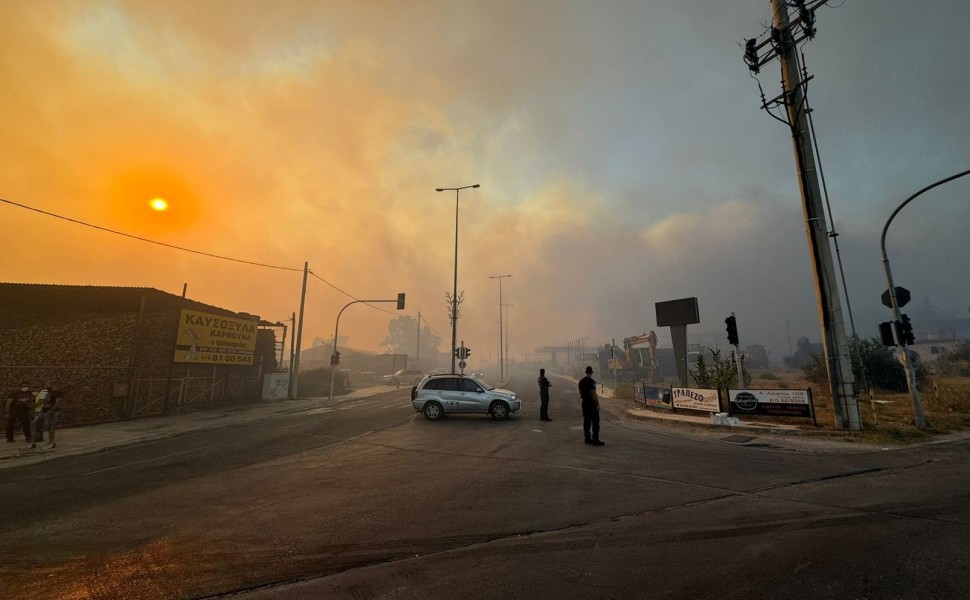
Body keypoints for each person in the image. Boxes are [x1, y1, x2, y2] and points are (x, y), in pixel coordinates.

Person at [578, 366, 604, 446]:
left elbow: (580, 392)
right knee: (595, 422)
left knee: (586, 421)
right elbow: (593, 393)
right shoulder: (592, 382)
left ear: (585, 372)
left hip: (584, 403)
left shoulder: (581, 381)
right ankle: (595, 440)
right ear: (592, 372)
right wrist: (597, 404)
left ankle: (587, 438)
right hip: (591, 404)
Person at [31, 382, 62, 449]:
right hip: (43, 411)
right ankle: (33, 443)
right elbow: (43, 402)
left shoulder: (57, 393)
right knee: (33, 424)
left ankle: (51, 442)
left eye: (48, 384)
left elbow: (57, 403)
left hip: (49, 412)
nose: (46, 385)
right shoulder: (46, 393)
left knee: (50, 426)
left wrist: (51, 411)